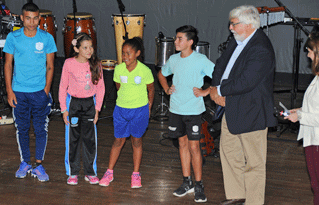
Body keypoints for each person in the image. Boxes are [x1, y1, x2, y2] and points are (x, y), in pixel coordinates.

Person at [209, 5, 277, 205]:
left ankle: (254, 202)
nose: (230, 27)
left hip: (252, 111)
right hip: (231, 107)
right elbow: (220, 64)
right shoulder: (236, 40)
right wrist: (214, 86)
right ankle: (237, 195)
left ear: (249, 25)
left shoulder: (261, 48)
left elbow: (246, 81)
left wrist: (219, 91)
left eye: (234, 24)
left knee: (254, 163)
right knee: (229, 152)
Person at [157, 25, 215, 203]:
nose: (175, 41)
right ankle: (186, 182)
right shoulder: (174, 59)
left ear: (190, 42)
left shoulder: (201, 60)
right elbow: (161, 74)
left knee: (194, 147)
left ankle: (199, 184)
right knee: (182, 145)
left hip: (193, 111)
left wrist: (206, 92)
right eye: (176, 38)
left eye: (179, 38)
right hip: (176, 110)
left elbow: (219, 77)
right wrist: (167, 88)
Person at [3, 2, 57, 182]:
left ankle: (39, 165)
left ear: (39, 18)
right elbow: (8, 65)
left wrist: (46, 90)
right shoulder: (13, 37)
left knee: (41, 129)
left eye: (35, 18)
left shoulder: (47, 38)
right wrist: (10, 91)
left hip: (39, 92)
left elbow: (50, 66)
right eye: (28, 18)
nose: (32, 22)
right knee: (22, 129)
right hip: (19, 92)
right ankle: (25, 162)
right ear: (21, 18)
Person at [98, 37, 154, 188]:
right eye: (123, 53)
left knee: (136, 141)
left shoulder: (145, 70)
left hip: (139, 111)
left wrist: (148, 107)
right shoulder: (118, 69)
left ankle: (136, 174)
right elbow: (118, 87)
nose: (125, 57)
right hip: (121, 110)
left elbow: (151, 89)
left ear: (137, 53)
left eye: (129, 53)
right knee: (118, 140)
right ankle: (109, 172)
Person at [59, 33, 105, 185]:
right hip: (73, 104)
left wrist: (97, 108)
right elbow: (62, 86)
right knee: (72, 140)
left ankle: (90, 172)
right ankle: (72, 173)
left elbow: (100, 88)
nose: (89, 50)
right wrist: (64, 109)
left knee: (90, 140)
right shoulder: (68, 63)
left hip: (89, 105)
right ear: (76, 49)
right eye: (85, 47)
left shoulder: (96, 64)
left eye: (91, 46)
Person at [285, 31, 319, 205]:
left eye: (310, 50)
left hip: (317, 140)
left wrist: (300, 115)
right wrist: (299, 110)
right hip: (313, 138)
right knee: (316, 185)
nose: (308, 55)